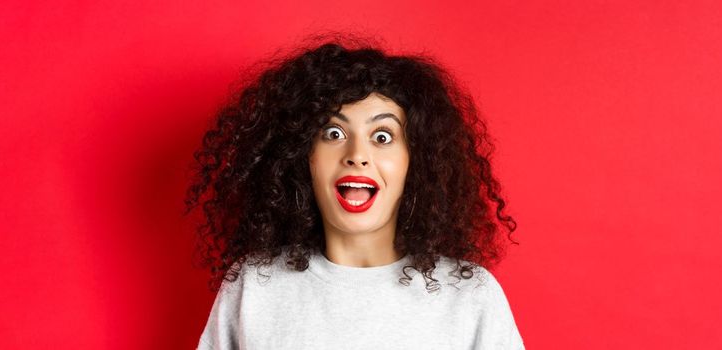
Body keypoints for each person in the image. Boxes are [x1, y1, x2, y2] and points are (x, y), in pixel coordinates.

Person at [184, 38, 523, 349]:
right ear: (304, 157)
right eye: (334, 132)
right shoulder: (255, 287)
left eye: (383, 137)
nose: (357, 154)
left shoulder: (469, 297)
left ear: (414, 161)